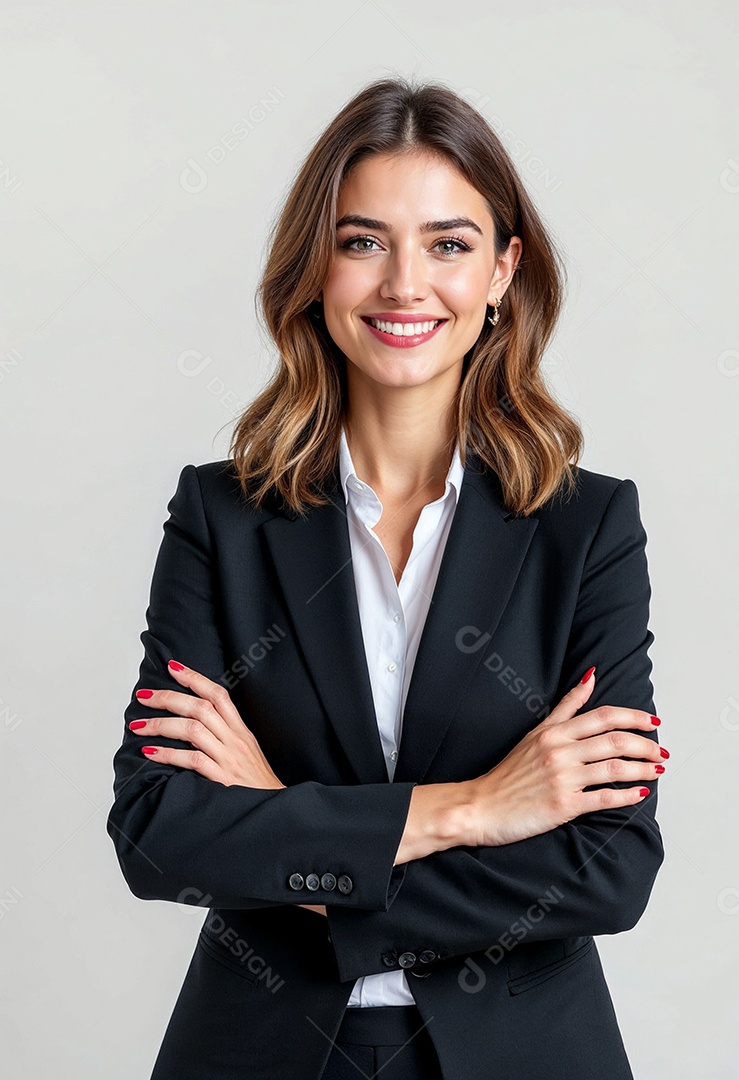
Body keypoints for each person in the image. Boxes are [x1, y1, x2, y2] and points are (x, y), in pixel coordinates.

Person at [106, 77, 666, 1080]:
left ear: (502, 272)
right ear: (314, 268)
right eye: (363, 241)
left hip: (524, 1057)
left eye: (448, 245)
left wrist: (284, 821)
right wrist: (472, 809)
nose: (405, 285)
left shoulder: (585, 529)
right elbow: (158, 834)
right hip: (259, 1054)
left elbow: (606, 867)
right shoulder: (221, 518)